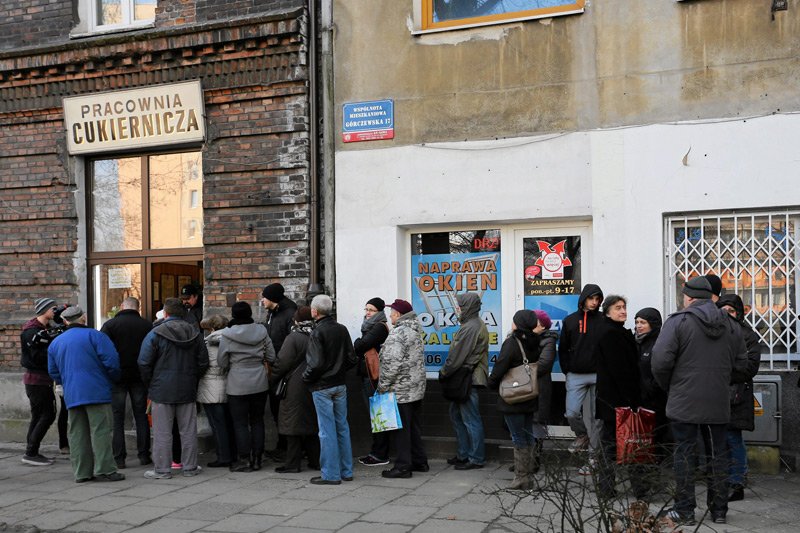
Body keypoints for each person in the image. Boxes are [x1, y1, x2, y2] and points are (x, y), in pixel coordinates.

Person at [652, 276, 748, 525]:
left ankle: (684, 509)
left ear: (689, 297)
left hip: (684, 399)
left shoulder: (678, 321)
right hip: (718, 399)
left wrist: (671, 386)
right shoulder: (731, 324)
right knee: (718, 454)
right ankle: (719, 510)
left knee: (684, 453)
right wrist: (720, 382)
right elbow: (741, 365)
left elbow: (660, 361)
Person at [47, 306, 124, 482]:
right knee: (101, 431)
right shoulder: (96, 336)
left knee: (77, 433)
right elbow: (112, 362)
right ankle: (105, 469)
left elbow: (53, 371)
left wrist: (66, 382)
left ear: (66, 321)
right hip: (97, 390)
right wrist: (111, 379)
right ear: (84, 318)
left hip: (72, 392)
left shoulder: (56, 342)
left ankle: (82, 472)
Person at [138, 297, 208, 479]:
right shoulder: (194, 332)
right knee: (188, 431)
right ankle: (190, 467)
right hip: (187, 387)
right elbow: (203, 362)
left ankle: (162, 469)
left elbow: (144, 363)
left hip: (161, 389)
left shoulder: (155, 333)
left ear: (166, 313)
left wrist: (151, 383)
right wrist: (192, 379)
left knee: (162, 431)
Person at [592, 295, 645, 500]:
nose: (623, 311)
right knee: (619, 445)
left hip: (614, 400)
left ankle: (609, 488)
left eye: (624, 307)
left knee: (615, 445)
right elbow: (620, 371)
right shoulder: (610, 334)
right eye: (617, 308)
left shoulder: (618, 331)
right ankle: (617, 488)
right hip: (617, 401)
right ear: (607, 312)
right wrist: (632, 400)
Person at [303, 294, 357, 485]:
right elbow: (352, 359)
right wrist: (339, 371)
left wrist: (306, 377)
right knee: (342, 427)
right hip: (340, 384)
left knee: (326, 431)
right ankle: (346, 471)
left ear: (315, 311)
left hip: (322, 386)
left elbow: (315, 364)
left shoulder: (317, 332)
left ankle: (331, 474)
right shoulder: (341, 329)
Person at [218, 301, 274, 472]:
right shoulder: (262, 330)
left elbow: (221, 361)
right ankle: (258, 458)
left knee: (240, 423)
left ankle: (244, 460)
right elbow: (271, 356)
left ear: (234, 315)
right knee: (257, 421)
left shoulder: (227, 335)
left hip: (237, 383)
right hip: (259, 381)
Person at [488, 310, 541, 490]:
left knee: (518, 436)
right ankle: (529, 477)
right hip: (529, 394)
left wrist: (491, 382)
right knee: (528, 435)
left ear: (518, 324)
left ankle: (521, 478)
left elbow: (501, 365)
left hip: (514, 396)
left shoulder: (512, 343)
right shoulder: (536, 342)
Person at [716, 294, 761, 502]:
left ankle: (737, 483)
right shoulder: (713, 332)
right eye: (723, 311)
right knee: (718, 440)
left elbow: (750, 367)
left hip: (736, 395)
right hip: (715, 394)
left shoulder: (748, 335)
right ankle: (721, 480)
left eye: (731, 312)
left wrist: (723, 373)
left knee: (733, 439)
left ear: (739, 313)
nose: (727, 316)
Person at [378, 299, 428, 479]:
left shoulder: (398, 333)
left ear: (398, 315)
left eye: (391, 312)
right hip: (415, 388)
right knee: (413, 427)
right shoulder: (415, 331)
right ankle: (419, 461)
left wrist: (382, 386)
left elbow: (392, 363)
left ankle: (403, 466)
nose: (389, 315)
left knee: (401, 430)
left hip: (400, 390)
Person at [100, 297, 153, 469]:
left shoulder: (110, 325)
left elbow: (103, 351)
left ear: (122, 306)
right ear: (138, 307)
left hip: (117, 377)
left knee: (117, 419)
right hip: (139, 376)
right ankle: (144, 455)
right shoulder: (146, 325)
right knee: (141, 416)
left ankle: (119, 458)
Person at [440, 292, 489, 470]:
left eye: (460, 305)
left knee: (470, 419)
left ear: (468, 307)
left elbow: (457, 355)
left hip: (468, 379)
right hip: (465, 378)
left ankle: (476, 458)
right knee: (457, 416)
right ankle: (463, 454)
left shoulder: (471, 327)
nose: (457, 308)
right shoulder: (471, 324)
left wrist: (444, 372)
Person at [270, 306, 320, 473]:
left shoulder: (294, 337)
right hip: (315, 382)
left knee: (292, 424)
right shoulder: (317, 333)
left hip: (295, 385)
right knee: (312, 423)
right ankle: (316, 460)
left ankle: (292, 463)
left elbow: (282, 362)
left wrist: (272, 378)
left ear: (296, 320)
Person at [20, 297, 59, 466]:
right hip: (37, 380)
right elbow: (36, 357)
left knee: (38, 416)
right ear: (44, 310)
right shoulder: (31, 332)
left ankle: (31, 451)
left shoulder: (45, 329)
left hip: (40, 379)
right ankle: (30, 452)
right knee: (47, 415)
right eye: (53, 308)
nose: (55, 311)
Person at [633, 307, 669, 494]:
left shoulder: (660, 343)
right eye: (637, 322)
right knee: (638, 443)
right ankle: (640, 485)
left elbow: (663, 371)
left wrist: (651, 387)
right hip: (637, 403)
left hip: (655, 403)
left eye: (643, 322)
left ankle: (651, 482)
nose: (638, 326)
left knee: (654, 443)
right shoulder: (634, 342)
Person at [261, 282, 298, 461]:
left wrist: (278, 368)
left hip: (284, 370)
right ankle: (281, 446)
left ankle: (286, 449)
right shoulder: (272, 313)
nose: (262, 300)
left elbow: (288, 345)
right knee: (277, 411)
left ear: (273, 299)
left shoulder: (289, 314)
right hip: (274, 367)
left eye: (265, 297)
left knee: (283, 411)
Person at [354, 297, 391, 467]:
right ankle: (377, 452)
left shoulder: (379, 327)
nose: (367, 313)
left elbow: (361, 346)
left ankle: (380, 454)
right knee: (375, 414)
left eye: (371, 310)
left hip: (374, 378)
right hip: (367, 375)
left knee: (378, 414)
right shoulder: (369, 327)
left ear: (379, 312)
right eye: (366, 309)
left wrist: (357, 342)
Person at [198, 314, 237, 468]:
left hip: (210, 385)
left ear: (212, 328)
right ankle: (232, 454)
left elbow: (203, 364)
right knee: (228, 423)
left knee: (217, 424)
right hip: (228, 384)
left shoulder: (209, 343)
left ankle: (223, 456)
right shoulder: (232, 340)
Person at [532, 309, 557, 471]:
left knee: (537, 422)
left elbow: (544, 365)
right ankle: (523, 460)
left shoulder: (548, 341)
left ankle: (534, 459)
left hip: (539, 386)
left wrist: (521, 369)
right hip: (524, 387)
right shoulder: (524, 338)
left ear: (542, 325)